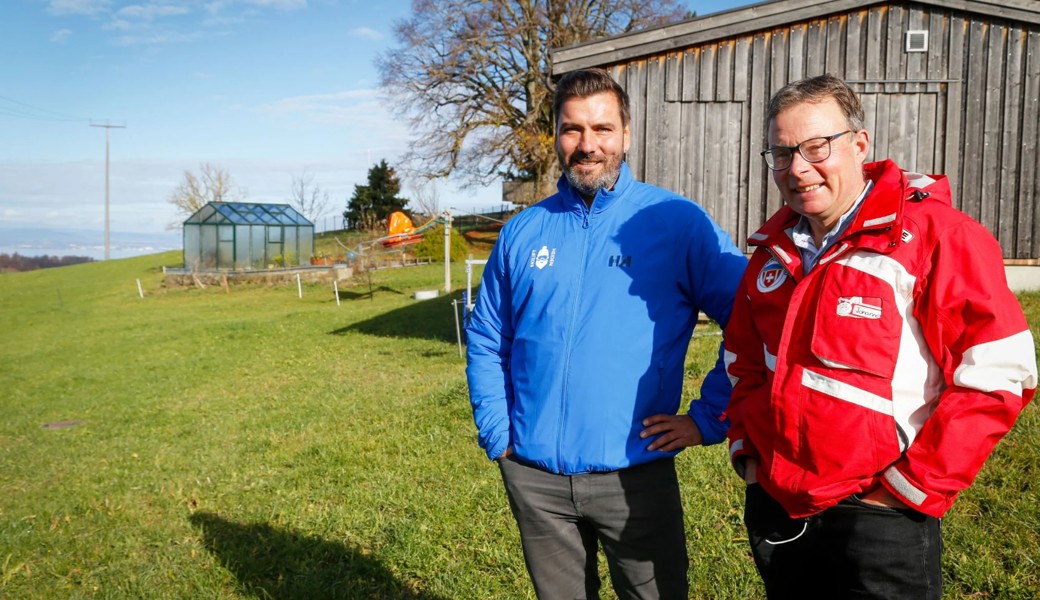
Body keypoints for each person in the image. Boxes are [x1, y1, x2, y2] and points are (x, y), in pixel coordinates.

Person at [724, 74, 1038, 599]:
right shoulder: (771, 253)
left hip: (881, 513)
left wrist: (906, 492)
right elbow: (742, 362)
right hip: (779, 503)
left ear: (860, 144)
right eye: (782, 153)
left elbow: (999, 372)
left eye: (815, 147)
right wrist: (751, 459)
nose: (798, 168)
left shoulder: (937, 236)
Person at [465, 68, 747, 599]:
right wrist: (498, 432)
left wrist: (708, 419)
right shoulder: (524, 231)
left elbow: (753, 320)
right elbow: (486, 336)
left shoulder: (676, 222)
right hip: (534, 477)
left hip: (633, 475)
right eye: (572, 129)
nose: (587, 145)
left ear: (627, 134)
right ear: (555, 136)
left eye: (603, 129)